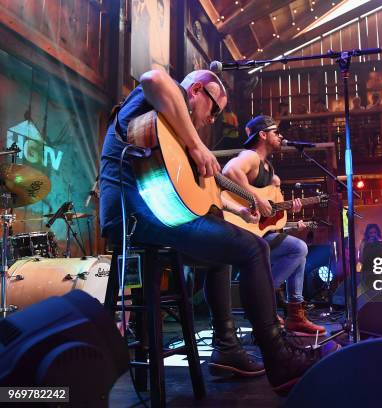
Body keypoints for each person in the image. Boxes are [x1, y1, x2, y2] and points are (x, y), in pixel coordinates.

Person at [99, 69, 337, 393]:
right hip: (137, 216)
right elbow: (153, 78)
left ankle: (226, 346)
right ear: (196, 90)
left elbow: (188, 190)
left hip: (151, 212)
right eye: (213, 110)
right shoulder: (171, 104)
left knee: (224, 247)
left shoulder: (169, 130)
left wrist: (235, 207)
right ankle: (278, 357)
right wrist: (196, 145)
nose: (212, 120)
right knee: (254, 248)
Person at [222, 115, 326, 336]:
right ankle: (264, 300)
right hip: (240, 229)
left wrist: (290, 209)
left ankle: (294, 313)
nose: (280, 137)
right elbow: (230, 171)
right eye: (276, 132)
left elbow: (270, 216)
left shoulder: (270, 172)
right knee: (298, 249)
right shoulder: (250, 156)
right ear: (262, 134)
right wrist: (257, 199)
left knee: (298, 251)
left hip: (258, 232)